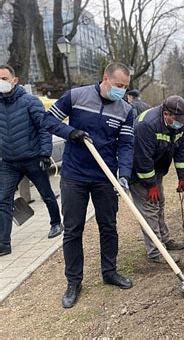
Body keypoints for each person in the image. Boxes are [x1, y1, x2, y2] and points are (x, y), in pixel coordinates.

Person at [43, 62, 135, 308]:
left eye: (125, 87)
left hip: (105, 177)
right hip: (74, 176)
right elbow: (48, 121)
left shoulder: (126, 110)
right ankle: (73, 282)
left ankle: (110, 271)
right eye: (118, 85)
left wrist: (123, 174)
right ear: (105, 78)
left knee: (109, 226)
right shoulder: (76, 96)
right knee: (73, 229)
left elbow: (126, 145)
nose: (122, 91)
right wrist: (71, 132)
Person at [0, 64, 63, 257]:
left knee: (46, 194)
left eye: (4, 78)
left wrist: (45, 154)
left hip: (33, 158)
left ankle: (56, 223)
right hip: (9, 162)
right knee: (2, 200)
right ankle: (3, 243)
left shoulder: (29, 101)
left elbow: (44, 128)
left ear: (14, 80)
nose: (1, 83)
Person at [129, 96, 184, 264]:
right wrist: (150, 185)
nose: (181, 123)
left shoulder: (178, 124)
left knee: (159, 204)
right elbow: (141, 158)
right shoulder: (146, 125)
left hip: (156, 171)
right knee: (149, 209)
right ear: (166, 114)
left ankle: (164, 239)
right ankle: (156, 251)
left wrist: (182, 176)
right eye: (177, 120)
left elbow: (181, 150)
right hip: (138, 172)